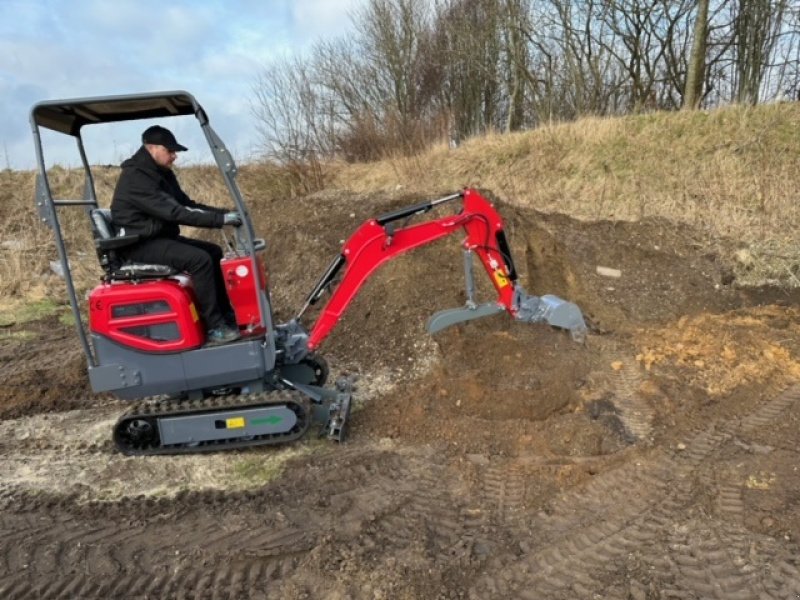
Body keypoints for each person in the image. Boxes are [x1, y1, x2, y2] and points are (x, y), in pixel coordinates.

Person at [111, 125, 243, 345]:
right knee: (199, 260)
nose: (174, 156)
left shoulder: (160, 173)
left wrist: (224, 213)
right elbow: (174, 212)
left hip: (157, 237)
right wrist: (219, 221)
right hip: (138, 243)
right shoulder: (137, 177)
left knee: (212, 251)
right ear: (151, 148)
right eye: (170, 151)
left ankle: (225, 316)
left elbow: (186, 204)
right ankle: (215, 327)